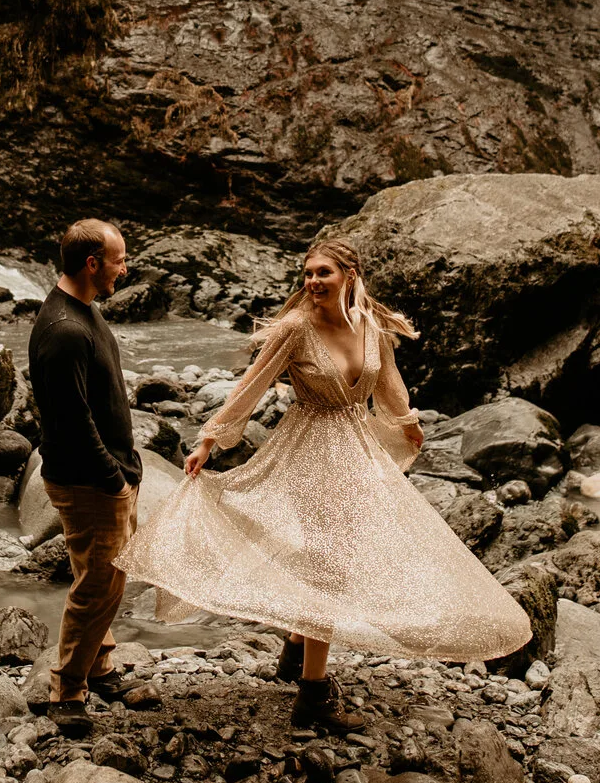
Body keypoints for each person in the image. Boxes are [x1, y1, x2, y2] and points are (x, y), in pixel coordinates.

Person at [117, 238, 532, 732]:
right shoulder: (296, 329)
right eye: (308, 273)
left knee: (345, 553)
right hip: (308, 450)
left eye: (323, 273)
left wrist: (406, 421)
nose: (312, 282)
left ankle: (296, 647)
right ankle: (312, 696)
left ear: (349, 275)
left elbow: (388, 379)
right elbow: (252, 383)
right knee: (327, 564)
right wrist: (210, 440)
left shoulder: (369, 325)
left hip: (357, 448)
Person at [24, 217, 141, 730]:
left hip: (100, 475)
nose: (125, 267)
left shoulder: (82, 311)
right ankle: (67, 690)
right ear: (92, 263)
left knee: (100, 577)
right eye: (118, 259)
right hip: (90, 480)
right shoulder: (65, 330)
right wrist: (114, 480)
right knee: (98, 585)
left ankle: (100, 664)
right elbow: (72, 422)